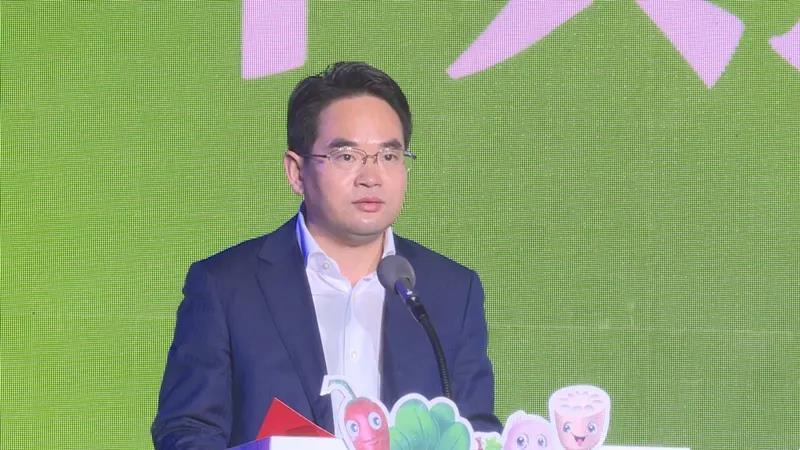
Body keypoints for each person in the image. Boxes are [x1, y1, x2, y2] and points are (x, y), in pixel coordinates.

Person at [152, 61, 500, 450]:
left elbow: (476, 430)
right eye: (346, 156)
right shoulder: (227, 286)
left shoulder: (451, 291)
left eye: (389, 156)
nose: (371, 177)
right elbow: (187, 431)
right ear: (296, 172)